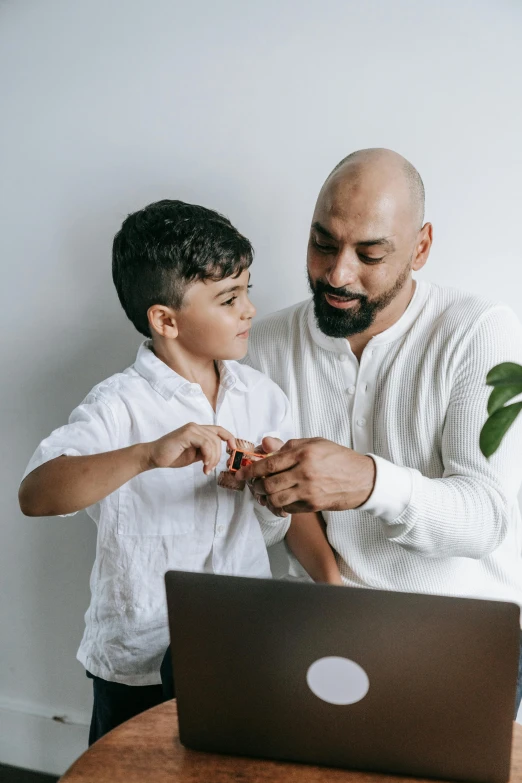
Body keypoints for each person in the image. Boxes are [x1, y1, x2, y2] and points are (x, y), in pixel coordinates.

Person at [18, 200, 341, 744]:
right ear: (165, 320)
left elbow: (295, 507)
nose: (249, 310)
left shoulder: (263, 398)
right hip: (138, 665)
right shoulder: (119, 405)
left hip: (238, 646)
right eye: (229, 298)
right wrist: (146, 455)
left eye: (247, 290)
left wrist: (330, 583)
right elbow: (37, 493)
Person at [238, 148, 522, 714]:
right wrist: (264, 493)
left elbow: (488, 518)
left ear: (420, 247)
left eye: (370, 254)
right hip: (318, 624)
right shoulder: (260, 346)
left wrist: (370, 483)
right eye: (322, 243)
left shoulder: (481, 333)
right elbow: (263, 531)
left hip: (465, 636)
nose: (338, 274)